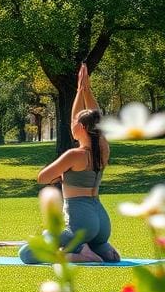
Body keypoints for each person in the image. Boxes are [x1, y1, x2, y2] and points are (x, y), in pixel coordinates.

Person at [18, 64, 120, 264]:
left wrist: (61, 175)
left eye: (74, 123)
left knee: (26, 253)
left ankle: (78, 254)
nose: (71, 124)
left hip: (79, 223)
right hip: (101, 222)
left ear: (81, 128)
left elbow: (42, 178)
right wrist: (83, 91)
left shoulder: (75, 155)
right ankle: (102, 250)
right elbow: (94, 116)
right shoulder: (103, 150)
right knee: (94, 246)